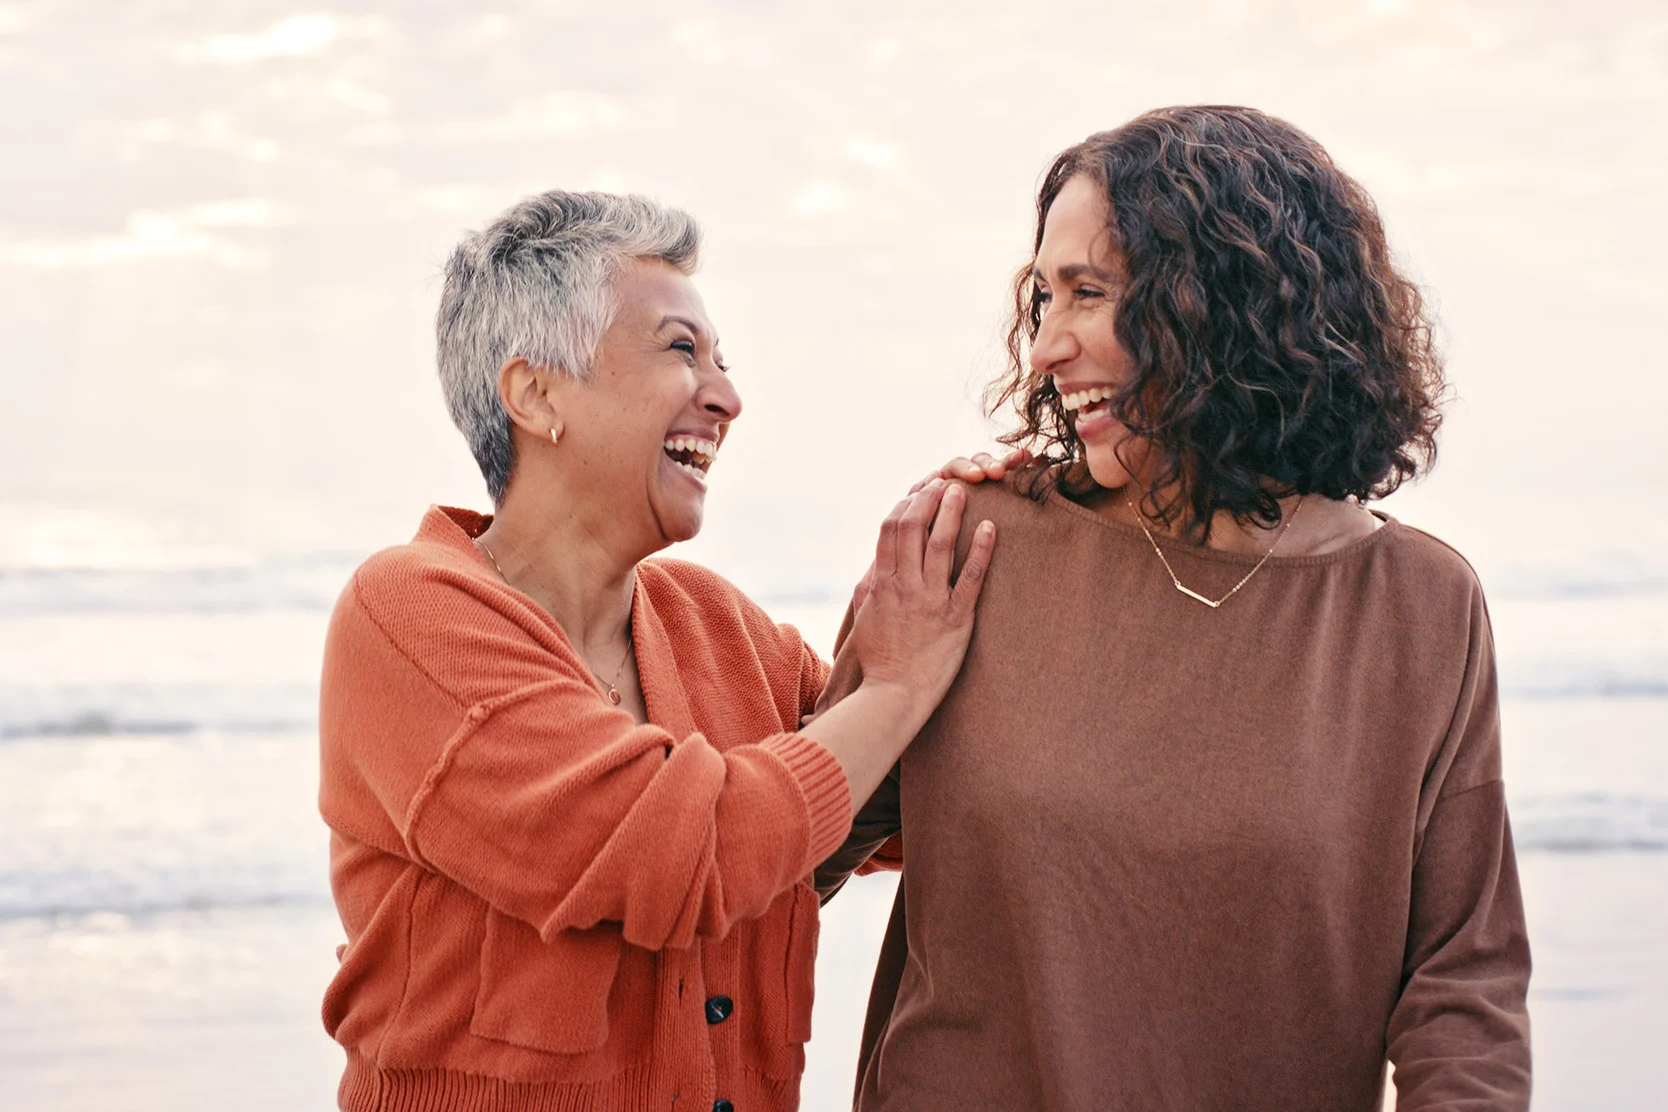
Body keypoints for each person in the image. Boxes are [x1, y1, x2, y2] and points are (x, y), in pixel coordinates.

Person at [815, 106, 1532, 1111]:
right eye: (1041, 299)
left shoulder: (1420, 606)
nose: (1044, 350)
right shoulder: (975, 542)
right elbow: (783, 854)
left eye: (1091, 294)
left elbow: (1465, 982)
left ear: (1230, 302)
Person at [316, 190, 997, 1112]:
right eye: (682, 350)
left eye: (722, 360)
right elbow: (685, 853)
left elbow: (918, 789)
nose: (728, 397)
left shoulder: (714, 624)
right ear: (536, 394)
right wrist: (900, 684)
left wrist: (1003, 529)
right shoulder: (410, 617)